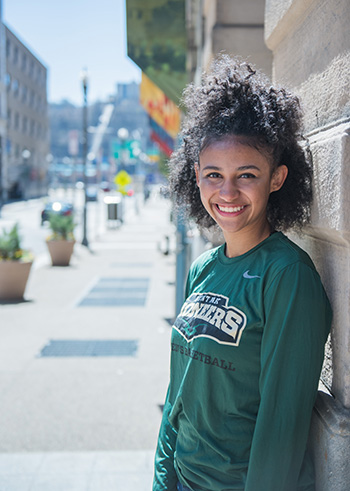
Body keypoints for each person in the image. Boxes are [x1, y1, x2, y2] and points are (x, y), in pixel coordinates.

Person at [152, 55, 332, 491]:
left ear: (277, 178)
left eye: (246, 175)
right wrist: (162, 479)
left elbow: (281, 426)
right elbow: (178, 396)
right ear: (195, 176)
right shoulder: (202, 270)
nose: (227, 192)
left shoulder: (287, 276)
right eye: (214, 174)